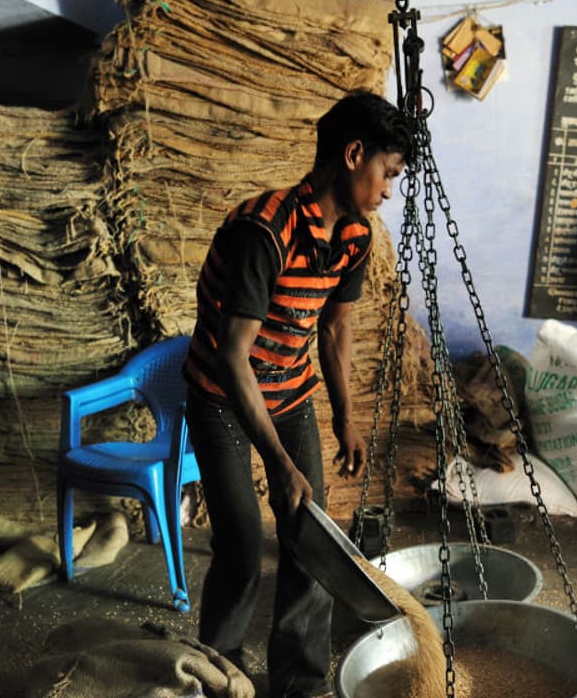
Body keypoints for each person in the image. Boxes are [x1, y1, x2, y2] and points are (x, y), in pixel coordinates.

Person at [181, 91, 414, 698]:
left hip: (289, 393)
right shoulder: (264, 230)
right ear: (354, 154)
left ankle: (299, 686)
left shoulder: (356, 236)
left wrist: (345, 418)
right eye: (388, 173)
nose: (389, 190)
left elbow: (335, 328)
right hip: (221, 396)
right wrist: (280, 465)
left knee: (312, 541)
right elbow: (233, 357)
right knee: (240, 545)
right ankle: (221, 679)